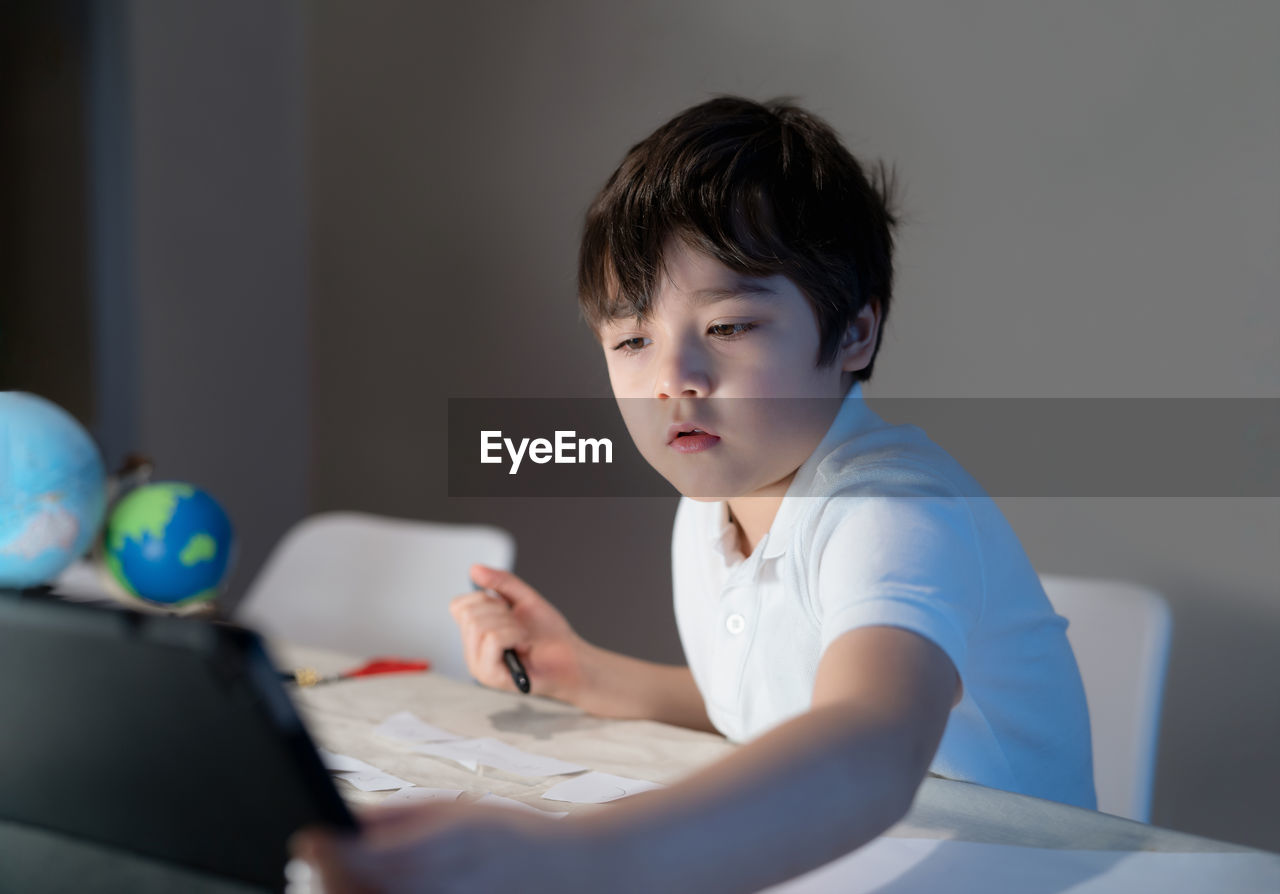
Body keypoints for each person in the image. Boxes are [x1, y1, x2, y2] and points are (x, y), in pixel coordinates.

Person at [293, 95, 1095, 893]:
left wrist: (569, 859)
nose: (674, 379)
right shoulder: (712, 507)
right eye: (634, 340)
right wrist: (582, 673)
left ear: (853, 332)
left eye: (730, 326)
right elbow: (778, 711)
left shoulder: (890, 511)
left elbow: (867, 745)